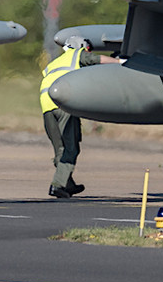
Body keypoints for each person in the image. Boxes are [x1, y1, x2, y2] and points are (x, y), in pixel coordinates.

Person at [40, 33, 119, 198]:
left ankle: (67, 184)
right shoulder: (77, 54)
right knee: (71, 147)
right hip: (64, 105)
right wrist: (121, 62)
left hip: (46, 107)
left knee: (60, 149)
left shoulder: (54, 63)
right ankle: (58, 185)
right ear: (81, 46)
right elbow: (99, 61)